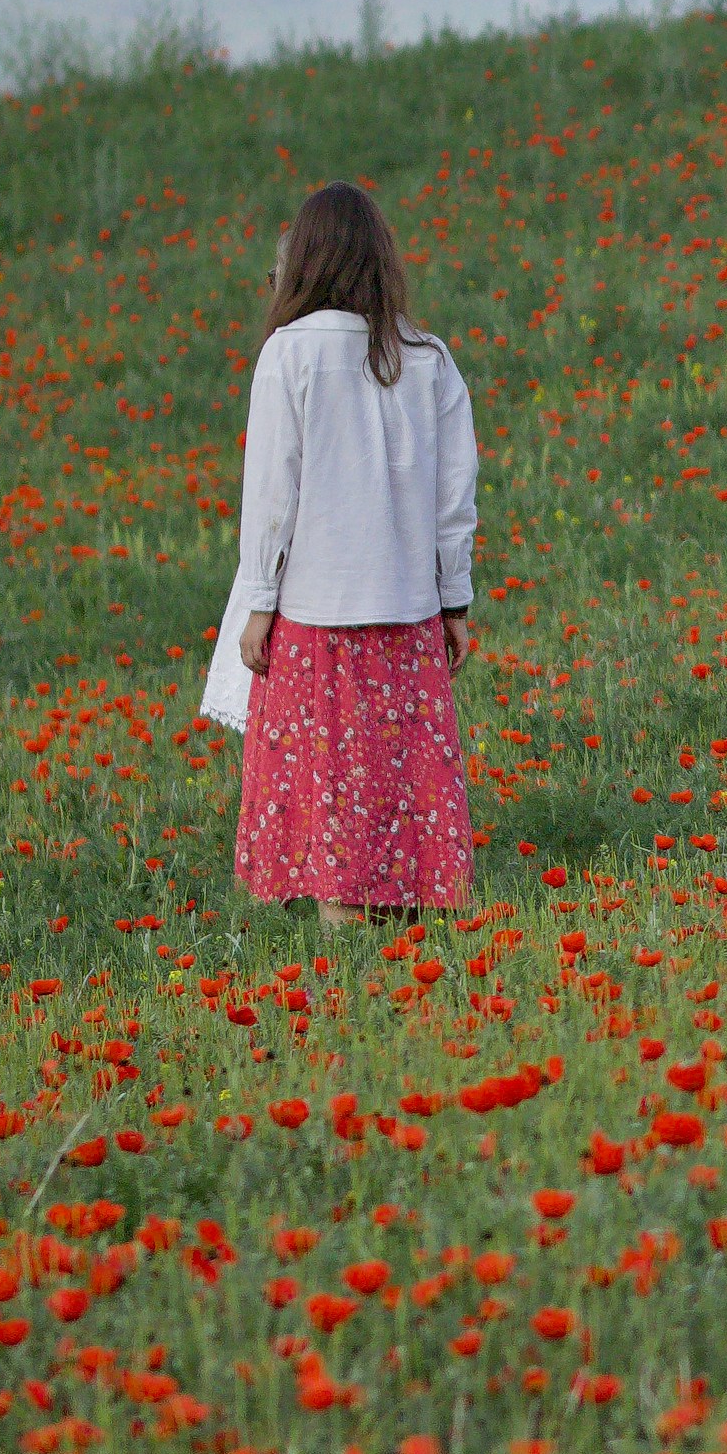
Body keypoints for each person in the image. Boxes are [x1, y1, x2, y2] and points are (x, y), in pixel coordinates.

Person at [205, 180, 480, 924]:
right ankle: (398, 923)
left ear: (304, 261)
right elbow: (454, 500)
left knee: (329, 773)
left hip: (313, 612)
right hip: (407, 607)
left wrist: (260, 600)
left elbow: (271, 493)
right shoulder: (425, 356)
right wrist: (454, 599)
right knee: (398, 773)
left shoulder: (287, 355)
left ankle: (341, 928)